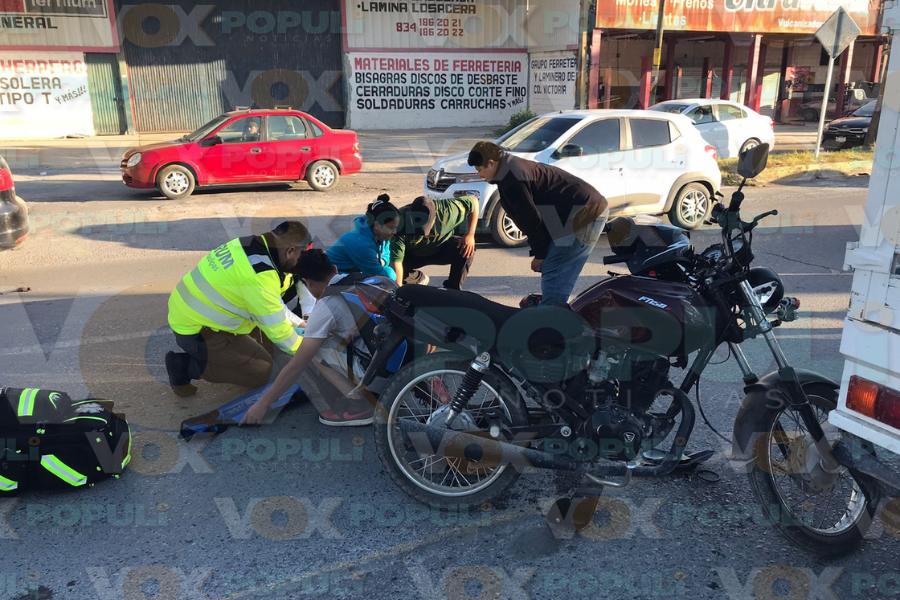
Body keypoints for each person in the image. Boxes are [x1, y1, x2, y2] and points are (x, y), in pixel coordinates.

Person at [241, 250, 388, 427]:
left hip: (376, 373)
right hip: (396, 363)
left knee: (312, 349)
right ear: (334, 269)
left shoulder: (327, 304)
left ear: (308, 283)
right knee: (327, 338)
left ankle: (359, 405)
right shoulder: (364, 280)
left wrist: (262, 404)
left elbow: (298, 364)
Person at [165, 221, 309, 396]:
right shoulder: (260, 277)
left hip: (195, 310)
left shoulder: (252, 243)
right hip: (198, 330)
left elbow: (274, 306)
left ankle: (232, 354)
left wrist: (300, 323)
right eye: (302, 255)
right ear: (291, 250)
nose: (302, 262)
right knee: (263, 371)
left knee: (277, 356)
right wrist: (312, 349)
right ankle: (187, 366)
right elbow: (282, 335)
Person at [467, 141, 609, 305]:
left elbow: (531, 220)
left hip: (586, 213)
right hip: (568, 214)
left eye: (480, 170)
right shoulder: (508, 168)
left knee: (554, 268)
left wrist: (540, 254)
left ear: (491, 163)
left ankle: (551, 318)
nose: (480, 175)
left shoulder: (513, 177)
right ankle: (552, 311)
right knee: (552, 264)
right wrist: (542, 252)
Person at [390, 194, 478, 290]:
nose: (423, 235)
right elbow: (396, 262)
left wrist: (470, 234)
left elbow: (474, 202)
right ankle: (416, 278)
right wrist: (398, 291)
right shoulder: (399, 224)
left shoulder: (448, 211)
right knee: (390, 272)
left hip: (440, 248)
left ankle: (453, 289)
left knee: (467, 248)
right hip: (412, 254)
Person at [326, 194, 400, 281]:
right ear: (376, 225)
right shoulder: (360, 243)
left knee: (389, 272)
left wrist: (380, 263)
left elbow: (386, 259)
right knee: (387, 277)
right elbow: (380, 275)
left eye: (396, 227)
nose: (394, 232)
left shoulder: (382, 236)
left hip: (354, 271)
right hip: (330, 277)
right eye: (391, 228)